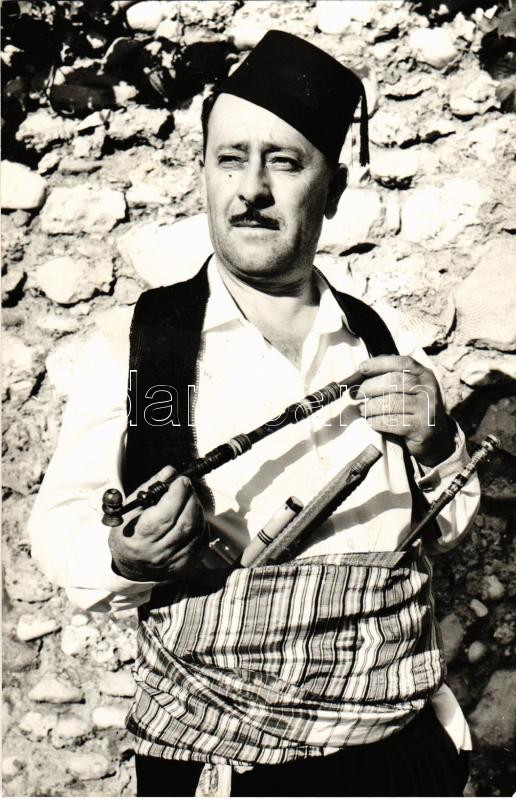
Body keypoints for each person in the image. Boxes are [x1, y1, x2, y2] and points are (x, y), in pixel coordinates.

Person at [29, 31, 480, 798]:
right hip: (223, 760)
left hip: (395, 752)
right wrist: (125, 556)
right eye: (230, 159)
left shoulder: (374, 337)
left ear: (331, 190)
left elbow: (443, 526)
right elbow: (61, 527)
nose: (251, 190)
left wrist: (437, 440)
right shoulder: (146, 344)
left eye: (284, 162)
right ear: (204, 173)